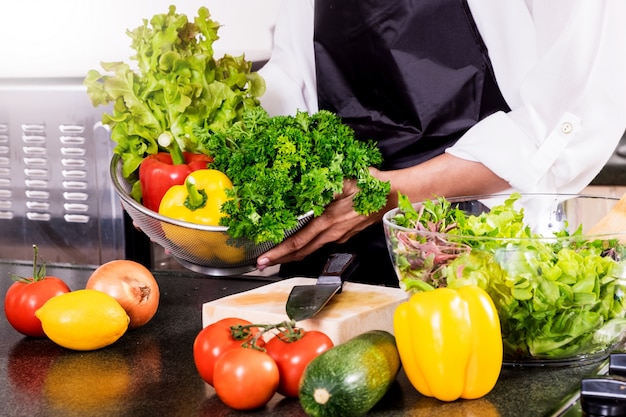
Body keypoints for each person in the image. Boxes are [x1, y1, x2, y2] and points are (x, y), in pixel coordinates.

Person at [254, 0, 626, 286]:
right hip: (331, 267)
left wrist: (388, 191)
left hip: (480, 258)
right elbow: (295, 74)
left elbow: (572, 112)